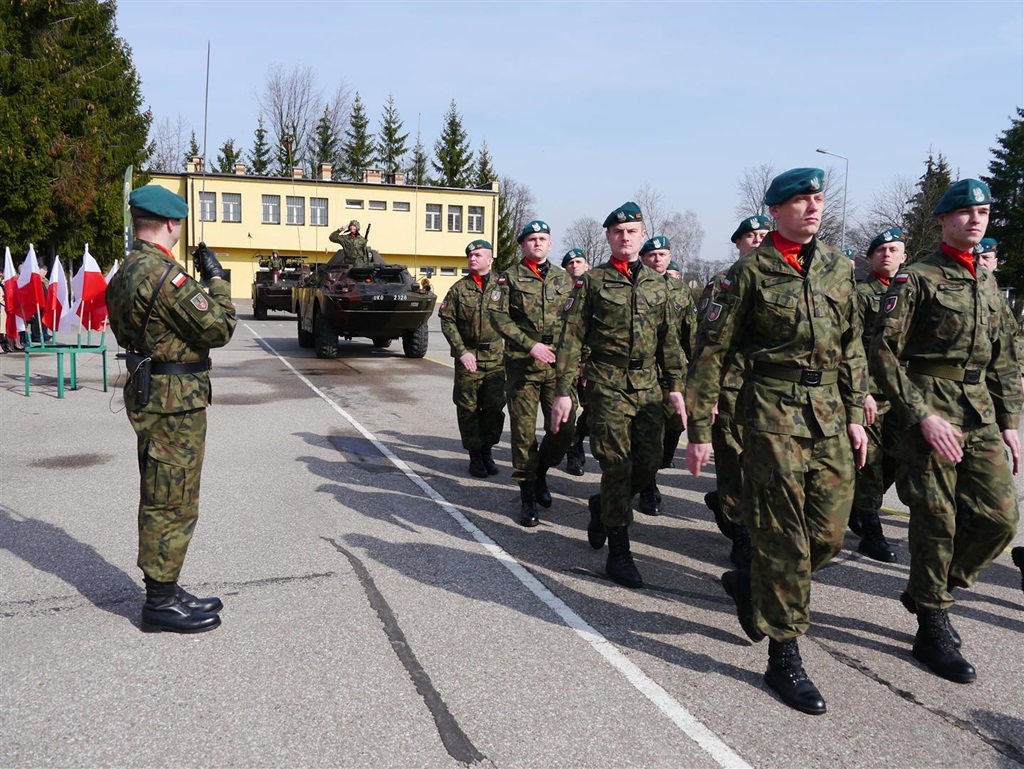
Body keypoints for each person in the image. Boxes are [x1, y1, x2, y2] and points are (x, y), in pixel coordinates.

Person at [685, 169, 868, 716]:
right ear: (775, 210)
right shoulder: (748, 273)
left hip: (830, 415)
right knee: (785, 539)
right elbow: (711, 352)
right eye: (801, 200)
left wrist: (857, 412)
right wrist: (698, 430)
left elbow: (853, 345)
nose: (813, 207)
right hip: (770, 413)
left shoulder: (839, 267)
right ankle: (784, 656)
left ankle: (752, 585)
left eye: (818, 199)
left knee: (830, 537)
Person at [871, 179, 1021, 683]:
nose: (975, 220)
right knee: (937, 520)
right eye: (964, 212)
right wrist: (920, 414)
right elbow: (884, 353)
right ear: (942, 220)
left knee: (1000, 518)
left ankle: (927, 589)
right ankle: (932, 621)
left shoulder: (986, 279)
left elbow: (1003, 358)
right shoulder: (917, 278)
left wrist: (1011, 423)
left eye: (982, 212)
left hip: (978, 411)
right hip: (930, 408)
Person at [106, 185, 237, 634]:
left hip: (153, 393)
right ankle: (159, 602)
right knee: (171, 497)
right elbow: (220, 327)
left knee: (166, 490)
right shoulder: (163, 275)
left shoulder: (126, 270)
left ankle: (168, 583)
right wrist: (217, 279)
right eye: (179, 223)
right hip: (172, 402)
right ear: (170, 224)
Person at [551, 202, 686, 589]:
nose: (625, 238)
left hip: (649, 385)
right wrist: (564, 392)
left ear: (642, 235)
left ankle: (603, 505)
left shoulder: (660, 286)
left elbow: (670, 343)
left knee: (652, 460)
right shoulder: (591, 282)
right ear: (608, 237)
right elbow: (570, 338)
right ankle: (619, 552)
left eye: (632, 231)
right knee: (616, 465)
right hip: (606, 382)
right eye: (617, 232)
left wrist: (676, 387)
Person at [489, 220, 576, 527]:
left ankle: (541, 471)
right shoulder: (509, 279)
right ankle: (527, 495)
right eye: (531, 239)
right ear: (522, 245)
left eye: (543, 238)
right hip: (522, 366)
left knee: (564, 428)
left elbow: (576, 321)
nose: (537, 243)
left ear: (550, 244)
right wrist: (529, 345)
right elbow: (497, 315)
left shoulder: (564, 279)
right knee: (524, 433)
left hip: (558, 365)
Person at [700, 214, 772, 569]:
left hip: (772, 392)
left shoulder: (781, 280)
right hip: (731, 388)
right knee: (733, 462)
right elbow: (708, 343)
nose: (758, 240)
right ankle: (741, 535)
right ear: (738, 243)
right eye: (750, 235)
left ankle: (741, 516)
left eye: (763, 234)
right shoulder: (721, 284)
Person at [848, 227, 907, 563]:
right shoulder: (860, 295)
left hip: (902, 391)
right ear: (871, 258)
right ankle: (871, 530)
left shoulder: (914, 291)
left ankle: (861, 505)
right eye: (880, 250)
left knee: (899, 458)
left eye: (893, 249)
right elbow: (852, 344)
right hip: (870, 389)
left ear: (904, 255)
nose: (887, 255)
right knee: (870, 462)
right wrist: (861, 390)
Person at [636, 235, 696, 515]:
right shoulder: (636, 287)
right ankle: (648, 486)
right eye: (652, 255)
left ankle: (656, 465)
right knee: (650, 433)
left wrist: (695, 369)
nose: (658, 259)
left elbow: (690, 334)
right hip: (646, 374)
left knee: (676, 425)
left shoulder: (681, 291)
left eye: (662, 254)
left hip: (675, 373)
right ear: (643, 258)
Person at [438, 239, 505, 478]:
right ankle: (475, 455)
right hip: (469, 357)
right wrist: (462, 351)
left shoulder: (503, 286)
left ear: (490, 259)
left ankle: (488, 450)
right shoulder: (459, 289)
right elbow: (447, 319)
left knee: (494, 408)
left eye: (478, 254)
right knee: (467, 408)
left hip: (497, 358)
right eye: (470, 255)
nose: (472, 258)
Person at [561, 248, 590, 476]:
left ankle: (580, 437)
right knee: (569, 410)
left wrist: (587, 359)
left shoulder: (597, 290)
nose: (574, 265)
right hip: (567, 362)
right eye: (570, 263)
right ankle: (573, 454)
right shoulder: (560, 293)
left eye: (578, 261)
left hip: (592, 363)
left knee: (593, 411)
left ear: (587, 265)